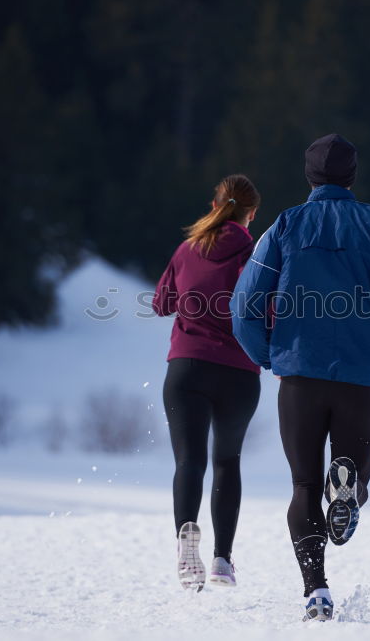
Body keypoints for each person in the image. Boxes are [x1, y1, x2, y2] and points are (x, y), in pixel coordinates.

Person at [230, 134, 370, 621]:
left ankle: (316, 591)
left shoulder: (284, 226)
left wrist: (270, 356)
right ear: (352, 176)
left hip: (301, 374)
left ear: (309, 177)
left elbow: (244, 305)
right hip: (363, 373)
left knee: (302, 485)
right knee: (354, 478)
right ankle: (349, 492)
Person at [153, 174, 263, 592]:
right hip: (238, 373)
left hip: (186, 368)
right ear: (251, 215)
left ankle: (185, 536)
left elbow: (162, 303)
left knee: (189, 462)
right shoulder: (255, 256)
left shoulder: (187, 249)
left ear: (213, 205)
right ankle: (222, 560)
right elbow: (269, 311)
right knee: (227, 462)